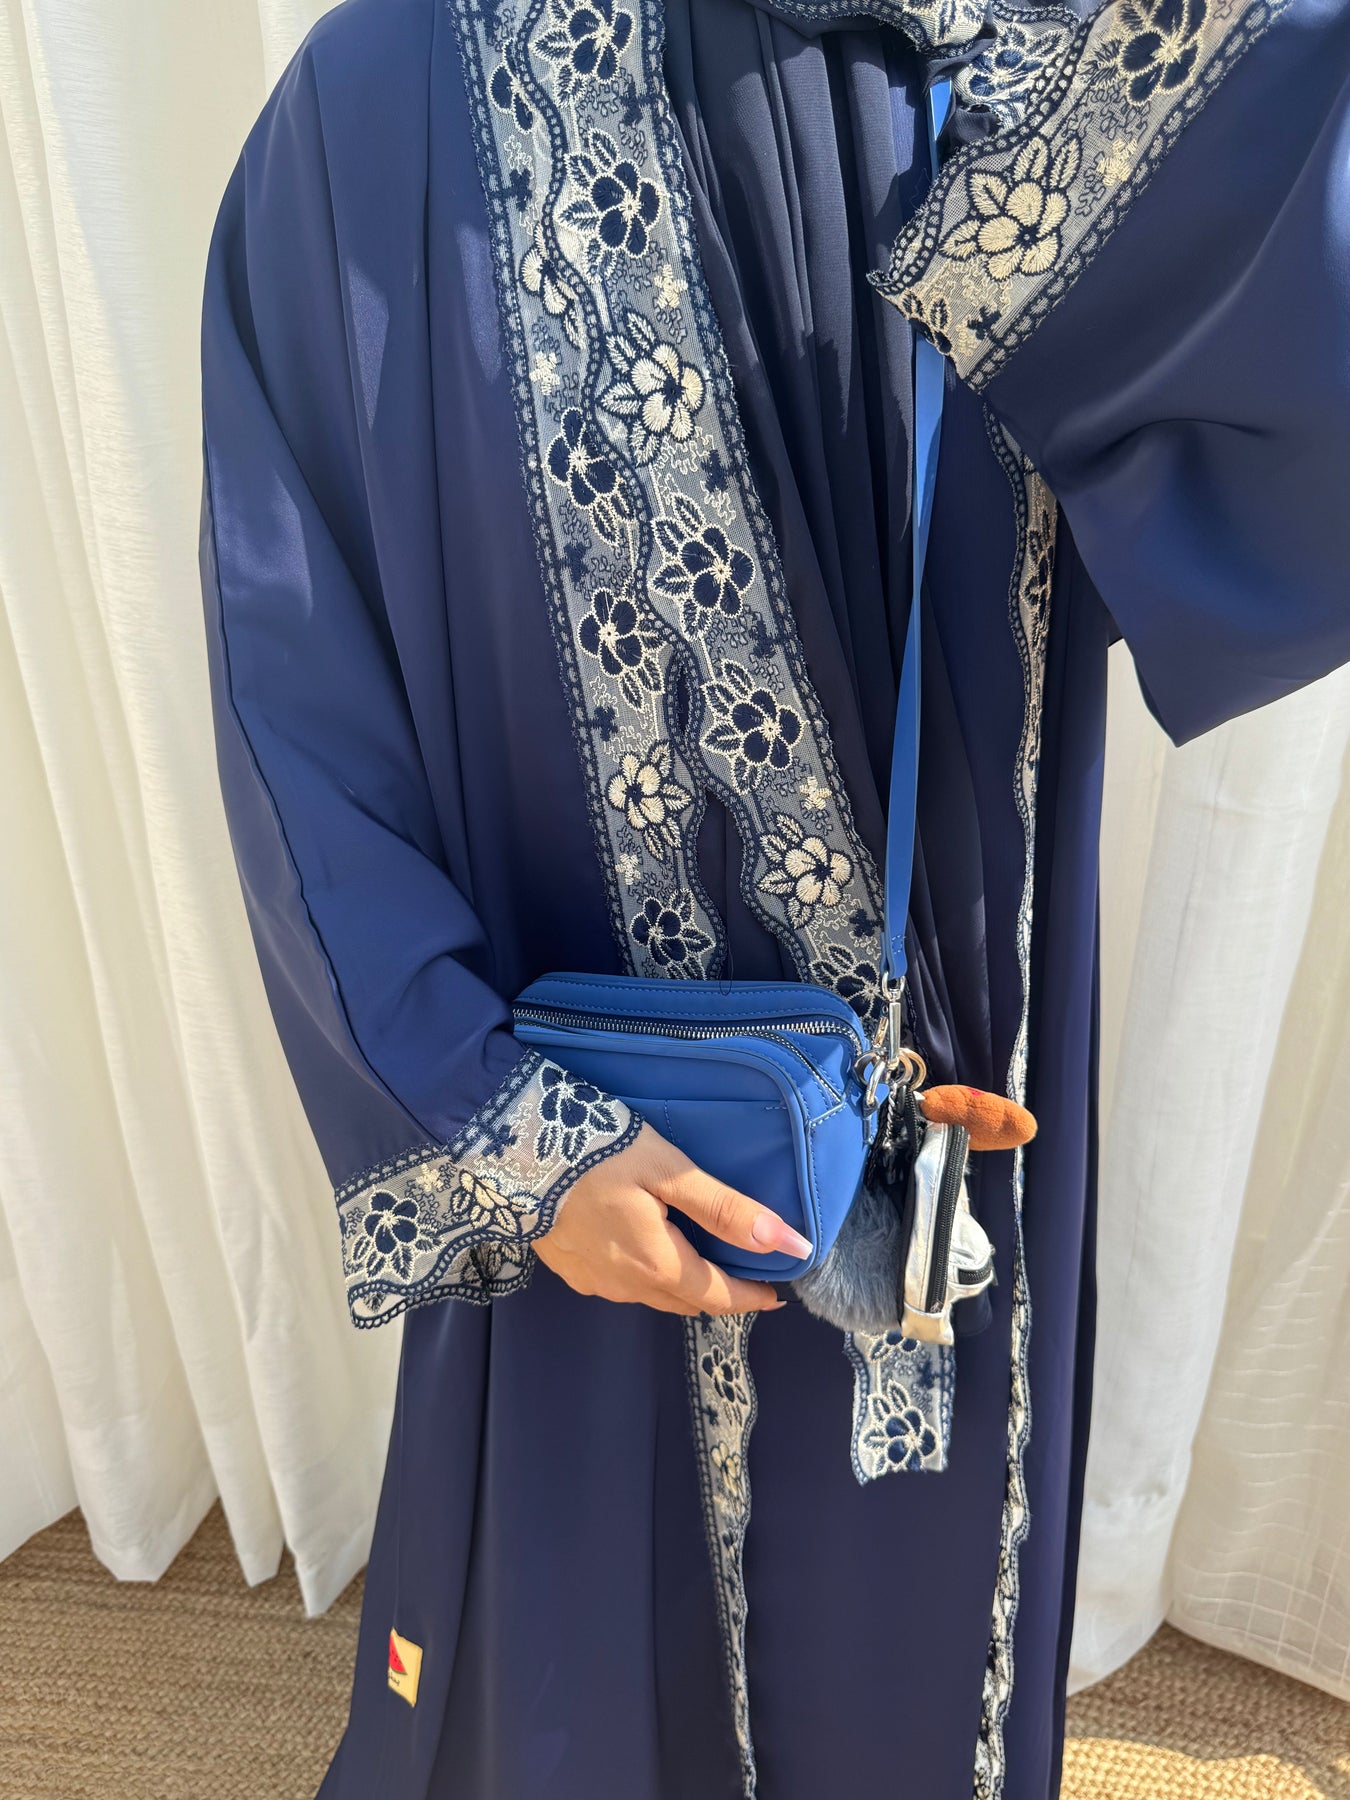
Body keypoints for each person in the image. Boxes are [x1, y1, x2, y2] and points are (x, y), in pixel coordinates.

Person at [197, 0, 1350, 1793]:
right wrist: (498, 1130)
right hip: (578, 1140)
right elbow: (297, 700)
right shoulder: (380, 101)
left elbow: (1274, 396)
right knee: (581, 1652)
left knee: (911, 1635)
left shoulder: (1036, 67)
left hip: (941, 1107)